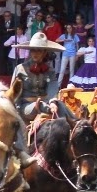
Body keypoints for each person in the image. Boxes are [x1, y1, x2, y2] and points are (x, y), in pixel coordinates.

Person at [10, 32, 69, 162]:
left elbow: (53, 88)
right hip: (25, 106)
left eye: (39, 50)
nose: (35, 53)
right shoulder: (20, 69)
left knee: (61, 105)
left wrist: (53, 101)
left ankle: (74, 128)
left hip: (46, 104)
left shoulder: (49, 70)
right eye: (33, 50)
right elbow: (13, 94)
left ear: (44, 53)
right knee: (41, 105)